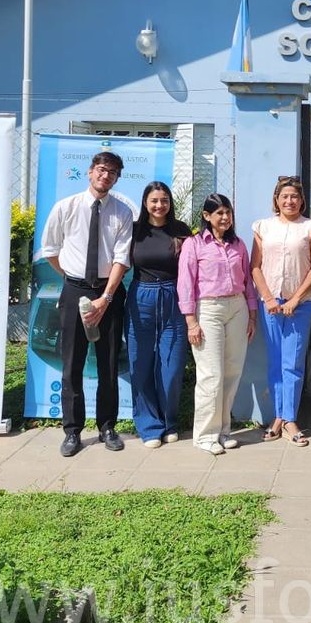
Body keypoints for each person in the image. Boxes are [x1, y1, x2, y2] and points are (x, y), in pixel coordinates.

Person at [41, 151, 133, 458]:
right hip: (74, 290)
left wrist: (105, 297)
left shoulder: (122, 212)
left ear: (117, 178)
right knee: (73, 362)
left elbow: (121, 257)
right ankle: (72, 431)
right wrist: (71, 278)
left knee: (108, 362)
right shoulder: (65, 207)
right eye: (101, 170)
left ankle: (107, 426)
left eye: (112, 173)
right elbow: (51, 249)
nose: (105, 176)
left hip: (109, 292)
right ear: (90, 172)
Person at [178, 193, 257, 456]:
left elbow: (247, 281)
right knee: (211, 374)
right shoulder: (194, 244)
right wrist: (191, 321)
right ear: (206, 216)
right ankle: (204, 435)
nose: (224, 217)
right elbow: (186, 284)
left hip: (237, 307)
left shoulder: (239, 245)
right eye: (219, 213)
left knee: (232, 371)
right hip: (208, 309)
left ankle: (223, 431)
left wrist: (253, 314)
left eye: (228, 212)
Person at [251, 176, 311, 447]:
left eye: (295, 196)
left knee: (292, 362)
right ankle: (278, 418)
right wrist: (269, 298)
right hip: (269, 303)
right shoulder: (263, 227)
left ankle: (290, 418)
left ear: (301, 200)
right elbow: (255, 266)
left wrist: (295, 298)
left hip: (301, 305)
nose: (290, 201)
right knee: (275, 361)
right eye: (285, 197)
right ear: (277, 200)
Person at [126, 181, 193, 449]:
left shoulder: (181, 231)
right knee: (140, 362)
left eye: (164, 200)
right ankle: (148, 425)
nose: (159, 205)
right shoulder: (134, 231)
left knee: (172, 365)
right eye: (154, 200)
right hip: (141, 296)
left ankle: (169, 422)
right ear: (145, 203)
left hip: (173, 297)